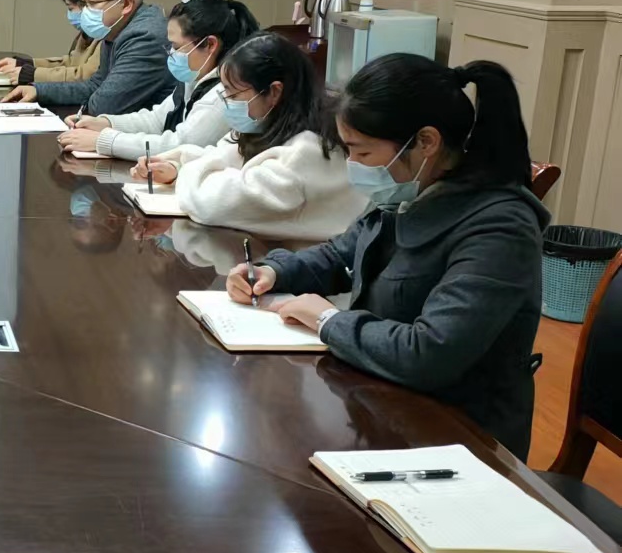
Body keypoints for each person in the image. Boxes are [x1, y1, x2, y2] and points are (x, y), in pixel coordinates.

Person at [227, 55, 548, 459]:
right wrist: (274, 270)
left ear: (426, 142)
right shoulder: (409, 189)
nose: (352, 167)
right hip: (381, 402)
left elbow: (429, 353)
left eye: (362, 153)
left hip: (458, 439)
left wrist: (328, 321)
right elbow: (342, 253)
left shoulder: (500, 227)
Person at [134, 32, 363, 239]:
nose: (227, 102)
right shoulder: (268, 126)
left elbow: (214, 204)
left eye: (233, 94)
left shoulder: (308, 152)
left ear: (274, 92)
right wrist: (175, 168)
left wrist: (186, 173)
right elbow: (221, 156)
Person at [59, 0, 258, 160]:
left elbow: (181, 145)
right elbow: (156, 120)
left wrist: (102, 141)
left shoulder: (225, 93)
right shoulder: (195, 77)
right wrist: (105, 123)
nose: (171, 53)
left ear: (210, 45)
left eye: (177, 46)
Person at [2, 0, 172, 116]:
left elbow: (105, 105)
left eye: (92, 2)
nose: (85, 11)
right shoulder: (115, 28)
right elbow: (95, 85)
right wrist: (39, 91)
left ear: (126, 4)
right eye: (84, 3)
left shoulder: (145, 37)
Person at [0, 0, 101, 85]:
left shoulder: (106, 36)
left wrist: (32, 74)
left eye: (70, 8)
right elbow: (70, 63)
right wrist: (26, 64)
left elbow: (84, 75)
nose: (69, 14)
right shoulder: (87, 33)